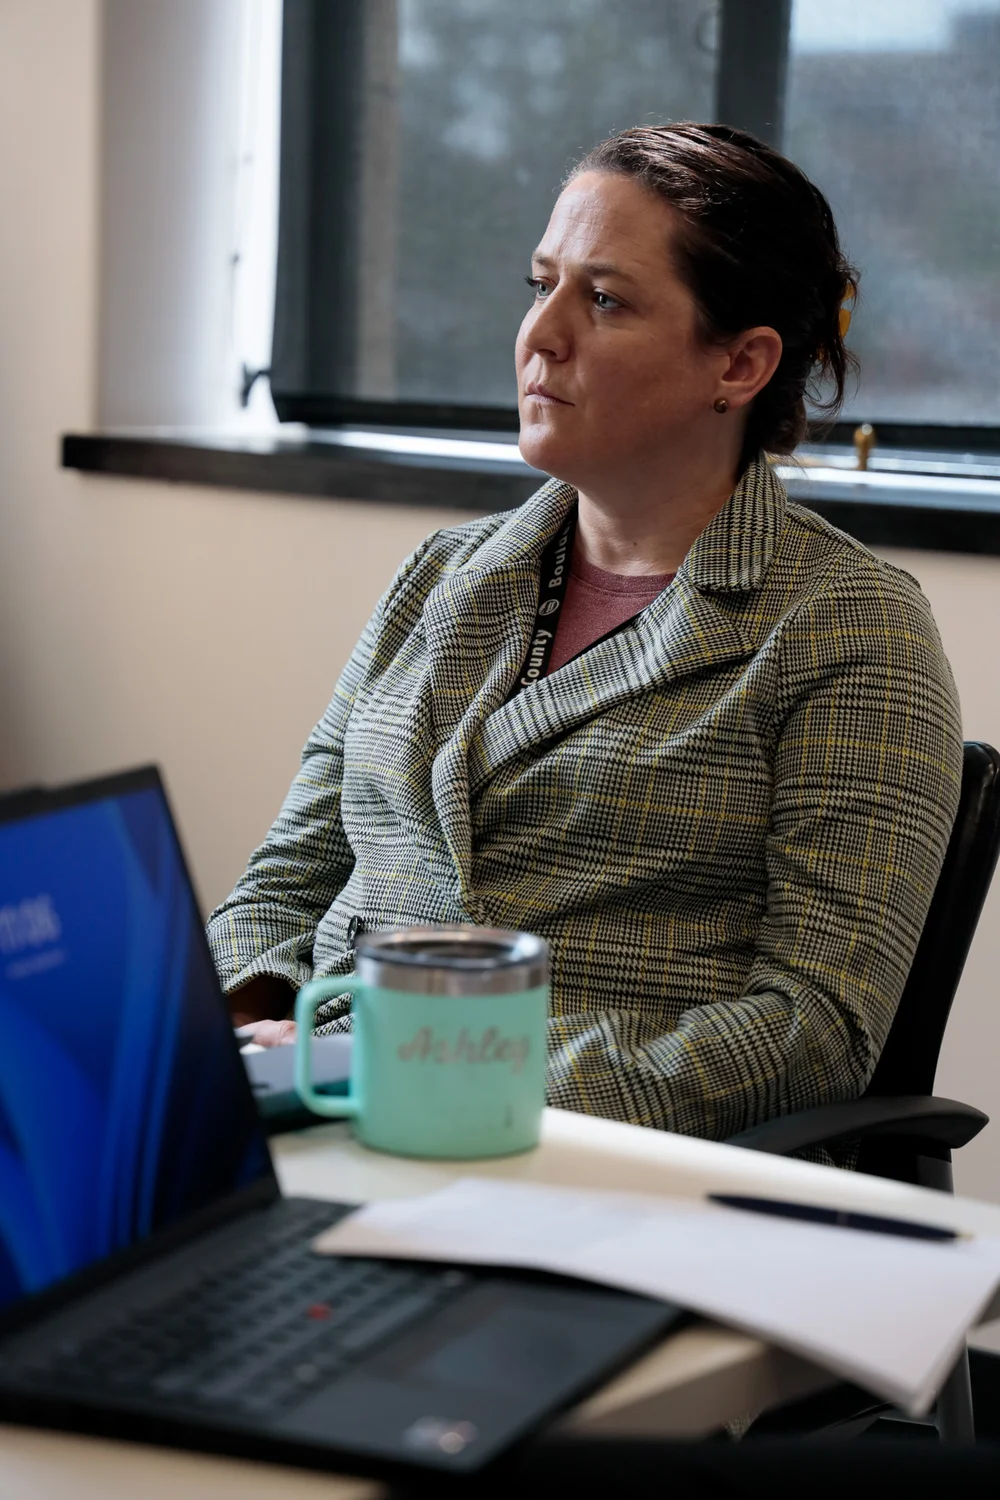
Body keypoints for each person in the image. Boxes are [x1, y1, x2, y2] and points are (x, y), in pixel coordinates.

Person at [208, 123, 961, 1143]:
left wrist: (427, 1072)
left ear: (738, 365)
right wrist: (247, 1030)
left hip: (582, 1163)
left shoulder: (848, 630)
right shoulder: (440, 574)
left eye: (603, 300)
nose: (539, 335)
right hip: (319, 1117)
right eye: (540, 285)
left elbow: (814, 1030)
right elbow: (286, 878)